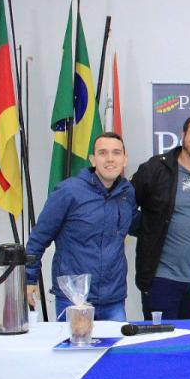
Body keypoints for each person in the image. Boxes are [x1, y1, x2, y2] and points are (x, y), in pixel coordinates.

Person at [26, 132, 136, 321]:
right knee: (74, 342)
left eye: (116, 153)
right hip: (74, 299)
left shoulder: (127, 193)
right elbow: (39, 237)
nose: (110, 159)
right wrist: (29, 278)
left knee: (115, 342)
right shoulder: (68, 191)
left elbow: (137, 224)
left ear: (124, 159)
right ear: (92, 160)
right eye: (103, 153)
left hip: (114, 299)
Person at [131, 112, 190, 320]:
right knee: (162, 339)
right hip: (161, 279)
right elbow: (124, 206)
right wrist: (149, 229)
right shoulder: (155, 169)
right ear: (183, 135)